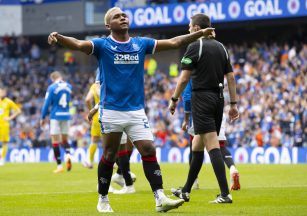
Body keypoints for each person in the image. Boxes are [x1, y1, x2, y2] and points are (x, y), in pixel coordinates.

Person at [47, 7, 215, 213]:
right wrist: (59, 37)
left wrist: (199, 33)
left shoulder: (140, 43)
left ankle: (160, 198)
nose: (123, 17)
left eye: (124, 15)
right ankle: (103, 199)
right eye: (117, 16)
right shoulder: (102, 45)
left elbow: (174, 43)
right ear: (108, 25)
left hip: (136, 111)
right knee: (109, 154)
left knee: (149, 149)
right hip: (111, 111)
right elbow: (80, 45)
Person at [168, 14, 239, 204]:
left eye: (190, 27)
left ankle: (225, 194)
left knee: (212, 144)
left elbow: (184, 79)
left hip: (202, 98)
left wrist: (174, 99)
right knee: (197, 143)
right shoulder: (222, 48)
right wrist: (233, 104)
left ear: (197, 28)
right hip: (219, 98)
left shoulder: (194, 46)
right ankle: (185, 190)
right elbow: (231, 78)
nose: (188, 30)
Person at [173, 80, 240, 193]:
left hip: (200, 111)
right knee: (220, 146)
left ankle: (194, 184)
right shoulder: (217, 64)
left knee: (195, 147)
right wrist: (233, 104)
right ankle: (232, 168)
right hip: (218, 108)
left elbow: (187, 95)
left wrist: (185, 118)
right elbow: (230, 79)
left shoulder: (195, 69)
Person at [85, 72, 137, 194]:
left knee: (114, 151)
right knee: (114, 151)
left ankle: (121, 177)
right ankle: (121, 179)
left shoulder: (111, 76)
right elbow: (106, 95)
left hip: (116, 114)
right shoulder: (117, 74)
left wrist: (94, 109)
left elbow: (105, 96)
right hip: (117, 114)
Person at [40, 71, 73, 173]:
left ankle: (59, 166)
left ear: (52, 79)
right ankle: (68, 155)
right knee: (64, 139)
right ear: (61, 77)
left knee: (55, 141)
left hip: (55, 115)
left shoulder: (51, 87)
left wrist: (43, 117)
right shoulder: (69, 86)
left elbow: (47, 103)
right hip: (66, 115)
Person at [0, 85, 21, 166]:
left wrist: (10, 118)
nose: (1, 93)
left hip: (4, 125)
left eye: (2, 92)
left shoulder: (8, 101)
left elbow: (18, 111)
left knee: (4, 142)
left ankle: (2, 159)